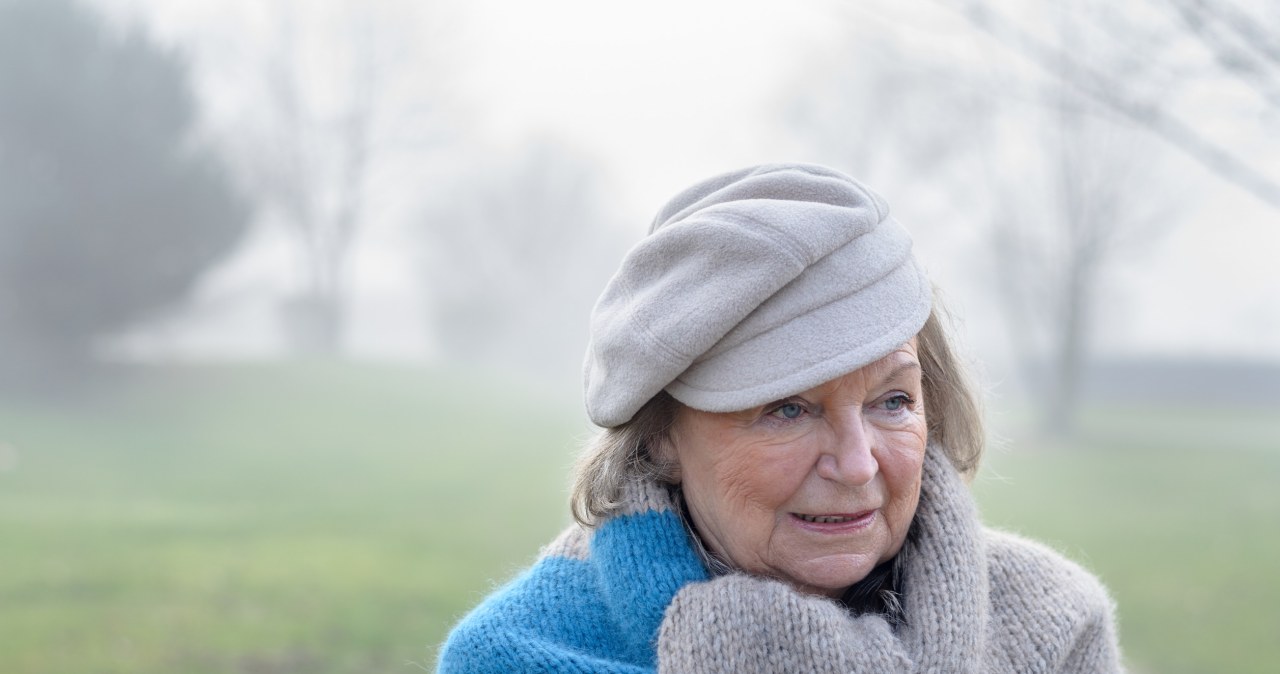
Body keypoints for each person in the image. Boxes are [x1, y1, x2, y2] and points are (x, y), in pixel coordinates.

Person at [436, 163, 1123, 673]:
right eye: (787, 409)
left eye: (893, 401)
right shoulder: (516, 656)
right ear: (660, 435)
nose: (857, 464)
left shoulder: (1050, 627)